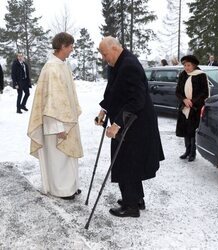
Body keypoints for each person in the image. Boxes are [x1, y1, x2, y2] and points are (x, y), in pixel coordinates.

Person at [96, 36, 165, 218]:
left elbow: (137, 100)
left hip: (136, 123)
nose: (104, 58)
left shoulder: (129, 65)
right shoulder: (117, 64)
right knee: (129, 162)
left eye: (104, 54)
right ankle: (136, 198)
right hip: (129, 121)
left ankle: (131, 206)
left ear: (115, 48)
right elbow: (112, 90)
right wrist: (103, 110)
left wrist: (117, 124)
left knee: (127, 162)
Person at [27, 32, 83, 200]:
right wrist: (58, 127)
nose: (72, 49)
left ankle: (70, 186)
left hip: (66, 121)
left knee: (67, 156)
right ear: (62, 46)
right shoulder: (52, 68)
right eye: (71, 46)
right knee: (59, 157)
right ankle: (61, 190)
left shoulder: (61, 65)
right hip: (57, 124)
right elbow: (52, 102)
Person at [175, 55, 209, 162]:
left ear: (194, 65)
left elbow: (204, 92)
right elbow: (178, 91)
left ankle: (193, 153)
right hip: (185, 107)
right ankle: (187, 151)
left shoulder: (201, 75)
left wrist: (192, 101)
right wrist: (184, 99)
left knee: (193, 130)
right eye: (185, 65)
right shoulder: (183, 75)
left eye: (188, 65)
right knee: (186, 130)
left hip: (195, 108)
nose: (186, 67)